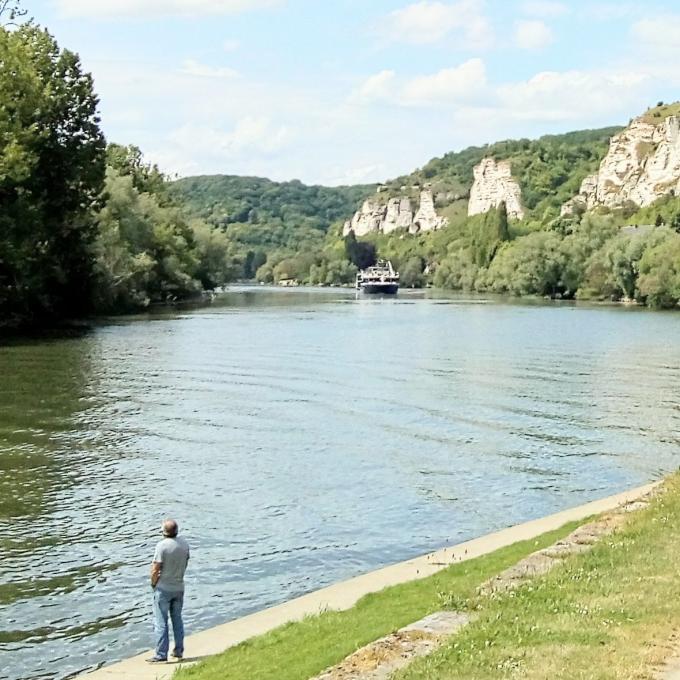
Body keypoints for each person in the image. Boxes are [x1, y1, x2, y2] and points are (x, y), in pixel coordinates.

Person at [146, 519, 190, 663]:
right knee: (177, 619)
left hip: (163, 588)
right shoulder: (184, 544)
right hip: (179, 587)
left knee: (161, 622)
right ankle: (178, 650)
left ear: (164, 532)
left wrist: (153, 584)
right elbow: (186, 562)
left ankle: (161, 654)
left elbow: (155, 568)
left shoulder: (162, 546)